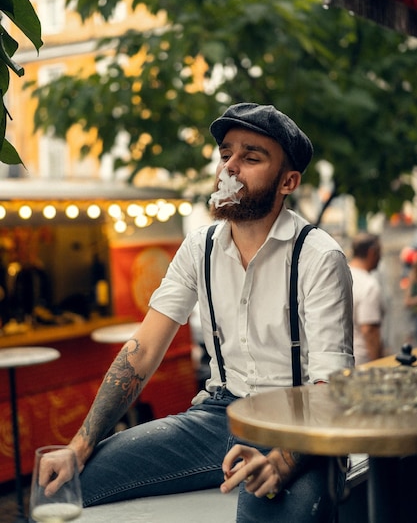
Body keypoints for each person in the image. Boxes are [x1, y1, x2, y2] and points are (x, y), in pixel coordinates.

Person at [43, 103, 354, 523]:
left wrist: (280, 462)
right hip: (218, 416)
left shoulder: (319, 257)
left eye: (251, 157)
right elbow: (143, 349)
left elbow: (330, 389)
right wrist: (79, 446)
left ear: (288, 181)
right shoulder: (199, 247)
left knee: (263, 512)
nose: (230, 168)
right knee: (64, 487)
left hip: (295, 425)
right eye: (226, 154)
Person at [349, 232, 383, 365]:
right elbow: (369, 330)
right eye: (380, 252)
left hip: (342, 361)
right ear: (372, 252)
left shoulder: (342, 275)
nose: (380, 257)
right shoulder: (369, 285)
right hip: (364, 364)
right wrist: (379, 366)